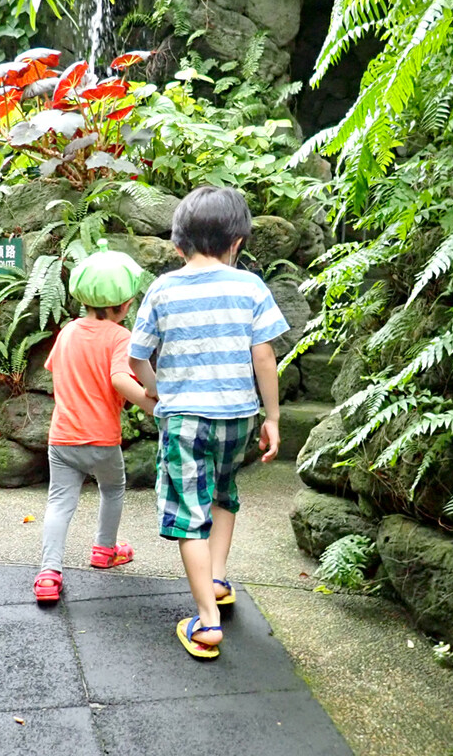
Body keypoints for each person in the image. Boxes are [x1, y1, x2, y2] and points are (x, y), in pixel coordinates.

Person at [127, 186, 289, 658]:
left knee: (188, 514)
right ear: (237, 243)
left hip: (185, 421)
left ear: (179, 245)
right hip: (237, 417)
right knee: (223, 494)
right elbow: (264, 357)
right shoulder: (250, 287)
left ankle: (208, 622)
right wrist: (272, 417)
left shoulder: (163, 289)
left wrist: (158, 392)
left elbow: (136, 357)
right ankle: (217, 580)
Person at [34, 240, 157, 604]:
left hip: (63, 438)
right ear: (123, 305)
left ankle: (48, 573)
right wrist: (151, 405)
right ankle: (105, 549)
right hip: (102, 440)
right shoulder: (121, 337)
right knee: (113, 489)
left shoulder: (69, 332)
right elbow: (121, 379)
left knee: (59, 504)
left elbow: (55, 370)